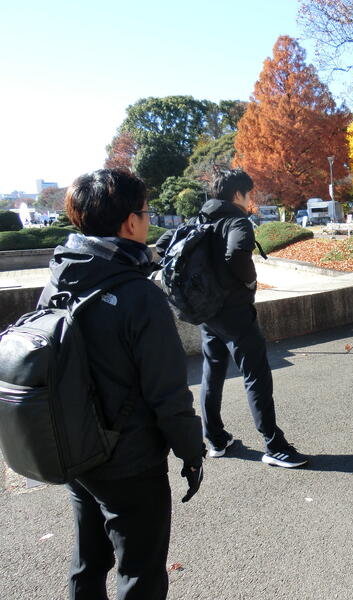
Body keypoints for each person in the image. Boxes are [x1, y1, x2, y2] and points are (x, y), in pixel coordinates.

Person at [39, 169, 205, 600]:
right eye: (146, 213)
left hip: (76, 447)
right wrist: (191, 451)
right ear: (131, 222)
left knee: (88, 561)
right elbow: (168, 393)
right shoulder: (139, 295)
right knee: (140, 572)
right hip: (129, 460)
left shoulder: (60, 275)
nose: (148, 221)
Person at [174, 169, 308, 468]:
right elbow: (236, 254)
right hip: (234, 312)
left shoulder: (198, 220)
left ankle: (216, 439)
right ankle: (274, 446)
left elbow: (165, 247)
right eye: (248, 194)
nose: (250, 200)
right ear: (238, 194)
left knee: (213, 372)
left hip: (207, 312)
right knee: (256, 375)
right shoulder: (237, 221)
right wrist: (248, 283)